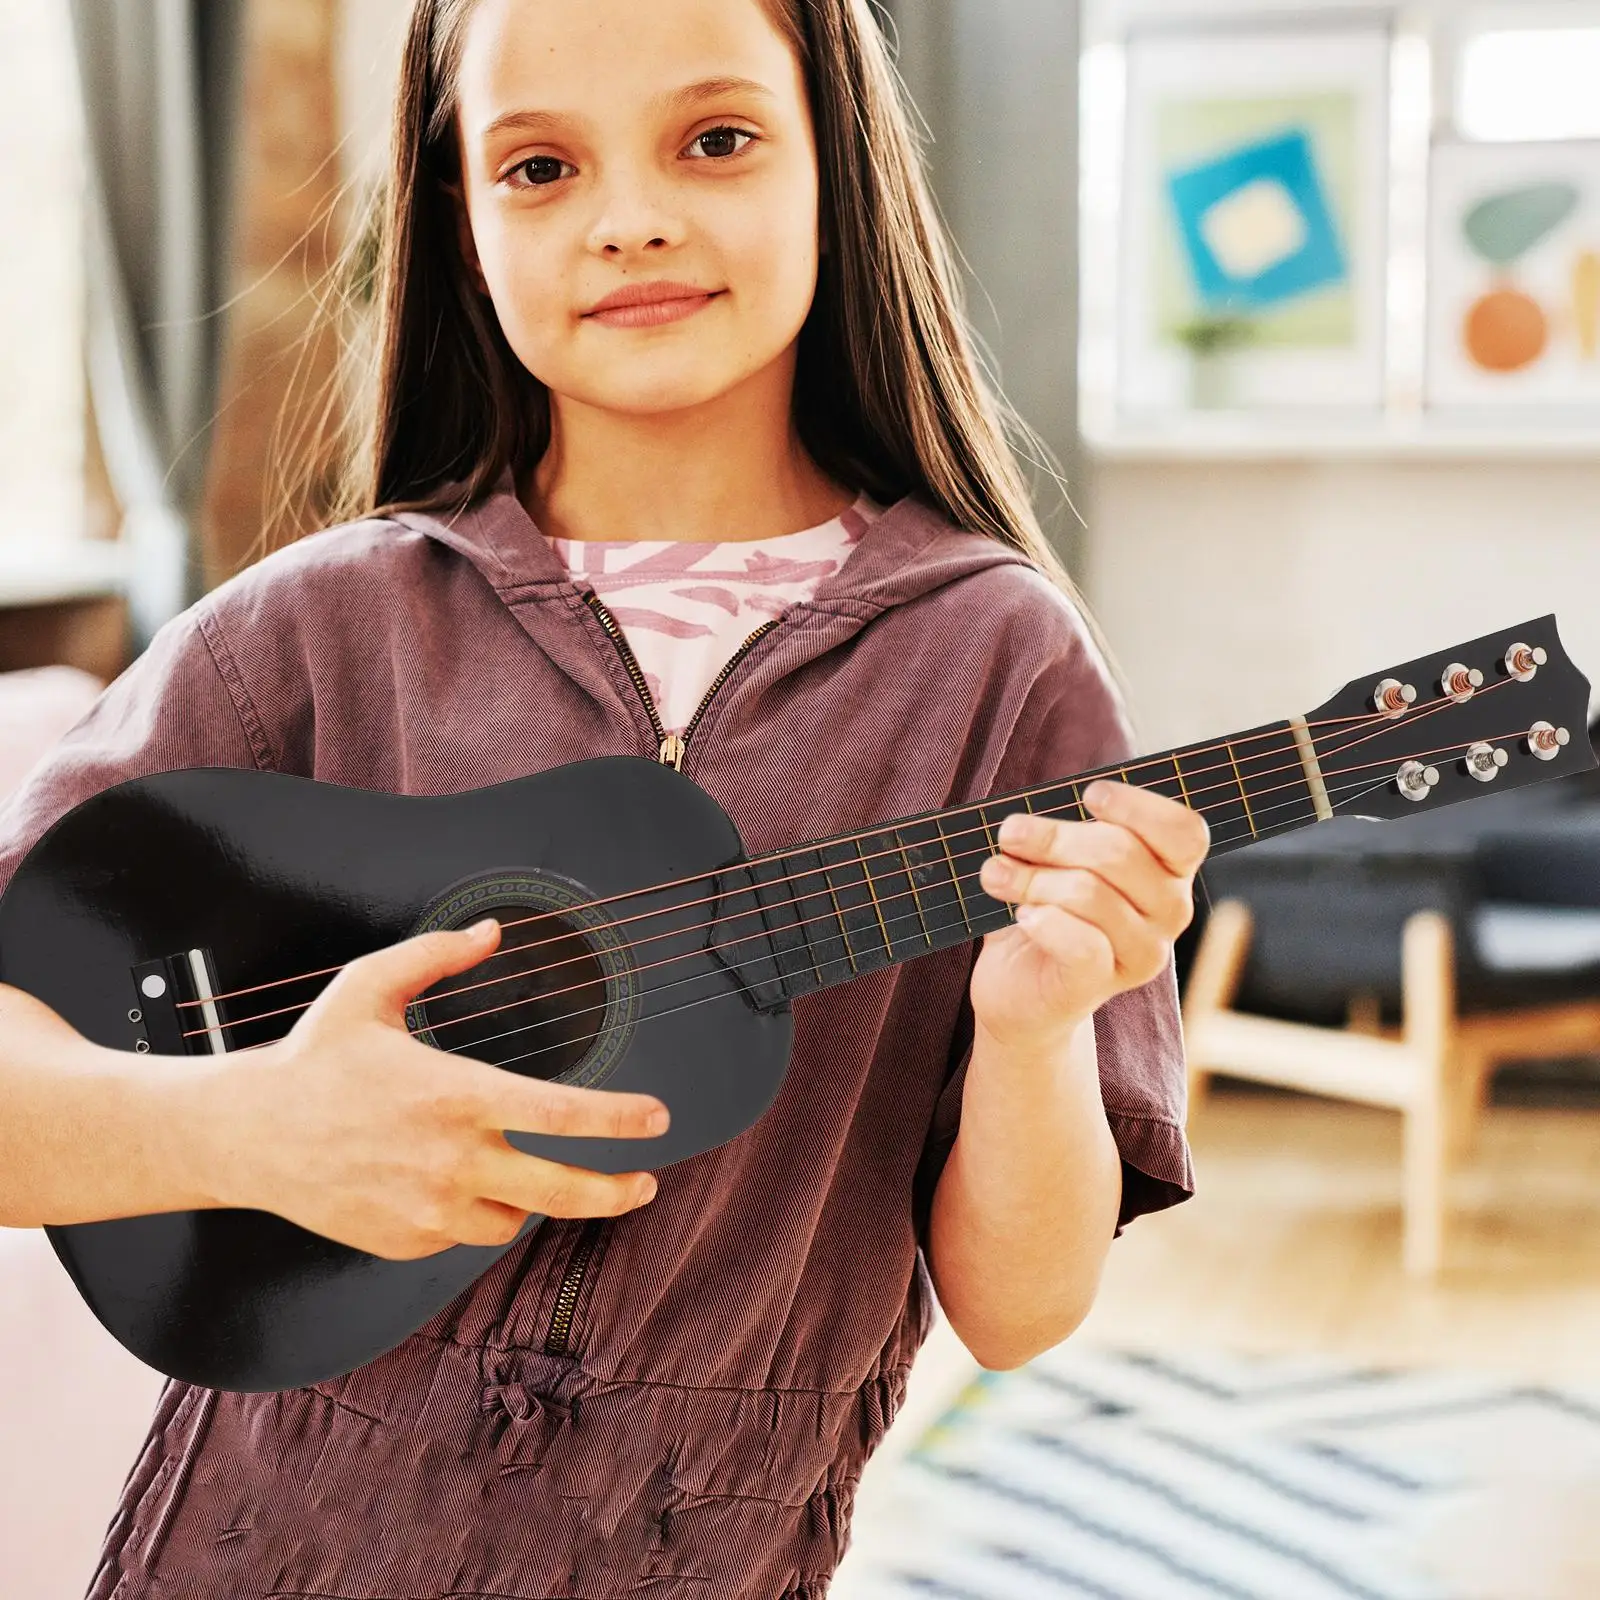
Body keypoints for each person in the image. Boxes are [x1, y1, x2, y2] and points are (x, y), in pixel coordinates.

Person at [0, 0, 1208, 1594]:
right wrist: (253, 1124)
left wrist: (1046, 1026)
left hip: (700, 1550)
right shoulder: (310, 634)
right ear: (464, 221)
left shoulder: (1000, 669)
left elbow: (1019, 1303)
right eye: (541, 165)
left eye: (714, 139)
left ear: (833, 163)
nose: (629, 217)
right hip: (260, 1543)